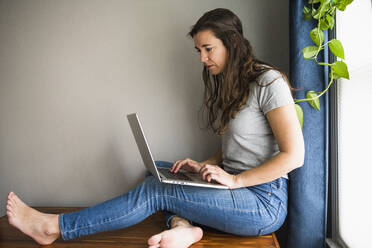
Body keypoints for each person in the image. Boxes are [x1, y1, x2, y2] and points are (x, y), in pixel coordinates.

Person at [5, 8, 304, 248]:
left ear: (233, 43)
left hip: (263, 202)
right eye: (198, 50)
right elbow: (239, 147)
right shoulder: (232, 85)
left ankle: (54, 227)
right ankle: (184, 228)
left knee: (156, 190)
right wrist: (205, 165)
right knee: (162, 171)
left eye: (208, 49)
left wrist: (235, 181)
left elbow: (294, 156)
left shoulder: (269, 82)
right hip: (235, 189)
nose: (202, 58)